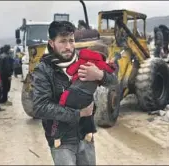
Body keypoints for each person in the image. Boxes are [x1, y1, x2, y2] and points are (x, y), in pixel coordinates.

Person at [31, 21, 117, 165]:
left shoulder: (84, 59)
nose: (68, 47)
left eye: (71, 41)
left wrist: (99, 75)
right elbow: (40, 107)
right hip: (61, 140)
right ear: (52, 43)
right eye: (63, 41)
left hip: (86, 134)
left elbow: (114, 83)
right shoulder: (43, 70)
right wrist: (78, 114)